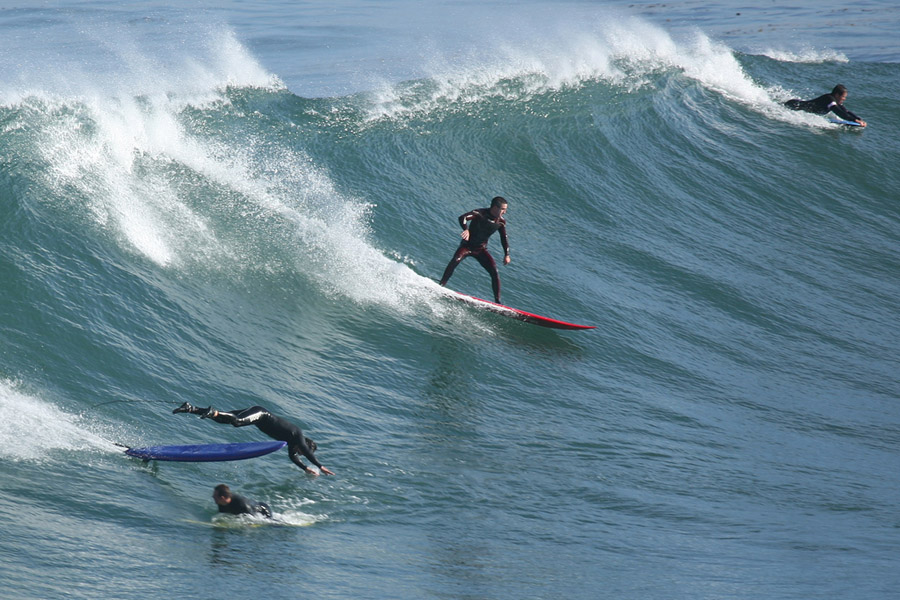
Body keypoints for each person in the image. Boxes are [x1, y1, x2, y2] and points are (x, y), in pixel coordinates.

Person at [174, 403, 335, 476]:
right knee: (236, 422)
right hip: (261, 414)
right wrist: (320, 466)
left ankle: (190, 408)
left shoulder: (292, 445)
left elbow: (293, 457)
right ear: (305, 445)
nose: (299, 452)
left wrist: (305, 469)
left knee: (224, 419)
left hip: (257, 417)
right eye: (302, 450)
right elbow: (305, 452)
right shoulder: (298, 435)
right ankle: (212, 411)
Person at [439, 196, 511, 304]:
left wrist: (507, 254)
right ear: (495, 207)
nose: (505, 212)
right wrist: (466, 230)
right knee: (455, 260)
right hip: (467, 246)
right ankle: (441, 286)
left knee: (494, 271)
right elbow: (462, 218)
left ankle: (498, 302)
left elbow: (503, 238)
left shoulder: (501, 222)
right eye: (503, 209)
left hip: (481, 250)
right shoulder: (479, 213)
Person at [784, 84, 866, 126]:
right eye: (843, 97)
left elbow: (845, 111)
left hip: (796, 105)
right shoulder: (829, 100)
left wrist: (858, 119)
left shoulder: (834, 100)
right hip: (794, 105)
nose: (844, 99)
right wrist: (854, 121)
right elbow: (839, 113)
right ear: (837, 95)